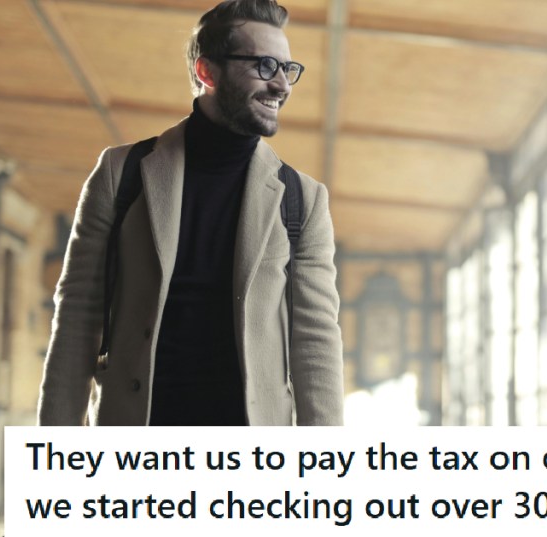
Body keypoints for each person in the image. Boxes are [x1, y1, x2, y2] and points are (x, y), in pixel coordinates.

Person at [37, 0, 343, 426]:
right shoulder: (120, 173)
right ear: (207, 72)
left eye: (287, 69)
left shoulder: (303, 199)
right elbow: (77, 316)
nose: (282, 85)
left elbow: (316, 343)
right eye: (266, 65)